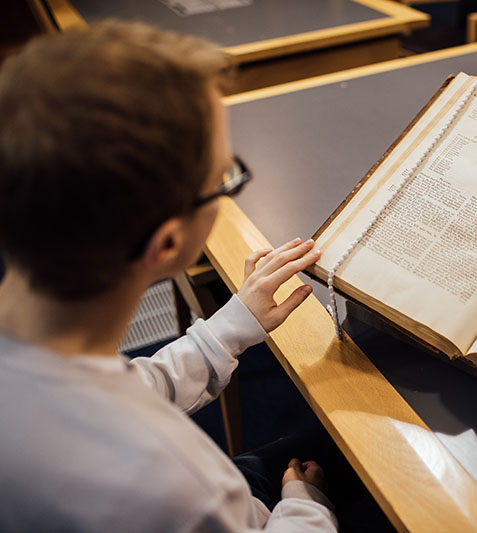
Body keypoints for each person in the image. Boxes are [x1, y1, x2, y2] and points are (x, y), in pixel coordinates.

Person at [0, 21, 338, 531]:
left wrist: (229, 327)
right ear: (168, 244)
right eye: (224, 177)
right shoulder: (175, 483)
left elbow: (125, 386)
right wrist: (306, 504)